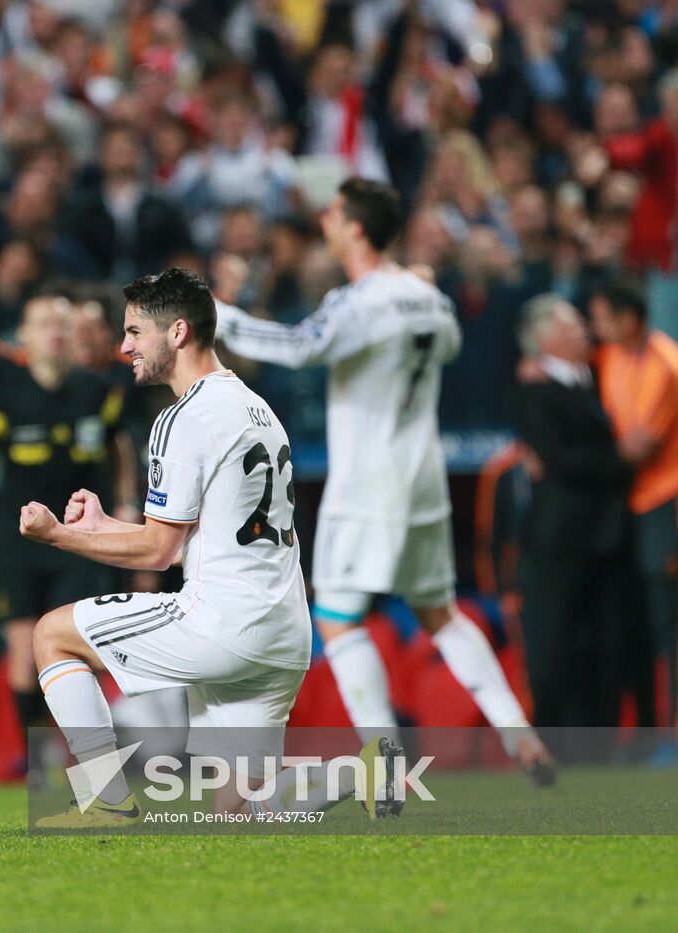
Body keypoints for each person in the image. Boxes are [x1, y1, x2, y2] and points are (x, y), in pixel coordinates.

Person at [17, 268, 388, 826]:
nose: (124, 347)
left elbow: (157, 553)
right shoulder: (255, 407)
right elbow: (189, 531)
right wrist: (99, 526)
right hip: (282, 632)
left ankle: (106, 800)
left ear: (178, 333)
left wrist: (60, 536)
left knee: (52, 635)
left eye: (136, 332)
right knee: (237, 812)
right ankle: (356, 773)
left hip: (223, 623)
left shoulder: (184, 416)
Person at [216, 178, 555, 783]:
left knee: (339, 620)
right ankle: (519, 734)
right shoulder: (427, 297)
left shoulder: (363, 301)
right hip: (422, 479)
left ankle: (388, 765)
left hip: (369, 482)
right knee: (440, 613)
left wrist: (222, 317)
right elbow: (447, 348)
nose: (325, 218)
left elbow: (298, 347)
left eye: (334, 211)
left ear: (354, 227)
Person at [0, 287, 135, 744]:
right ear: (23, 335)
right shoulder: (1, 396)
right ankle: (38, 761)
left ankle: (85, 756)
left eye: (62, 323)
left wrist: (126, 501)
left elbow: (120, 446)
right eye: (44, 323)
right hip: (16, 543)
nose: (55, 333)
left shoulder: (98, 391)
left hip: (80, 542)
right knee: (25, 655)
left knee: (80, 648)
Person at [513, 295, 644, 739]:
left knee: (609, 643)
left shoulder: (595, 380)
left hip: (608, 535)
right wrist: (621, 458)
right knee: (556, 640)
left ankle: (602, 742)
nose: (584, 329)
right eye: (572, 324)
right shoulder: (535, 392)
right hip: (562, 537)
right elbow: (562, 460)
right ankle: (553, 739)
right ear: (548, 337)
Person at [591, 281, 678, 728]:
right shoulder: (612, 357)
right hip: (633, 505)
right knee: (647, 619)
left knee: (669, 619)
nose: (596, 326)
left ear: (628, 318)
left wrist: (580, 458)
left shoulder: (665, 362)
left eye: (603, 316)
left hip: (665, 504)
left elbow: (639, 446)